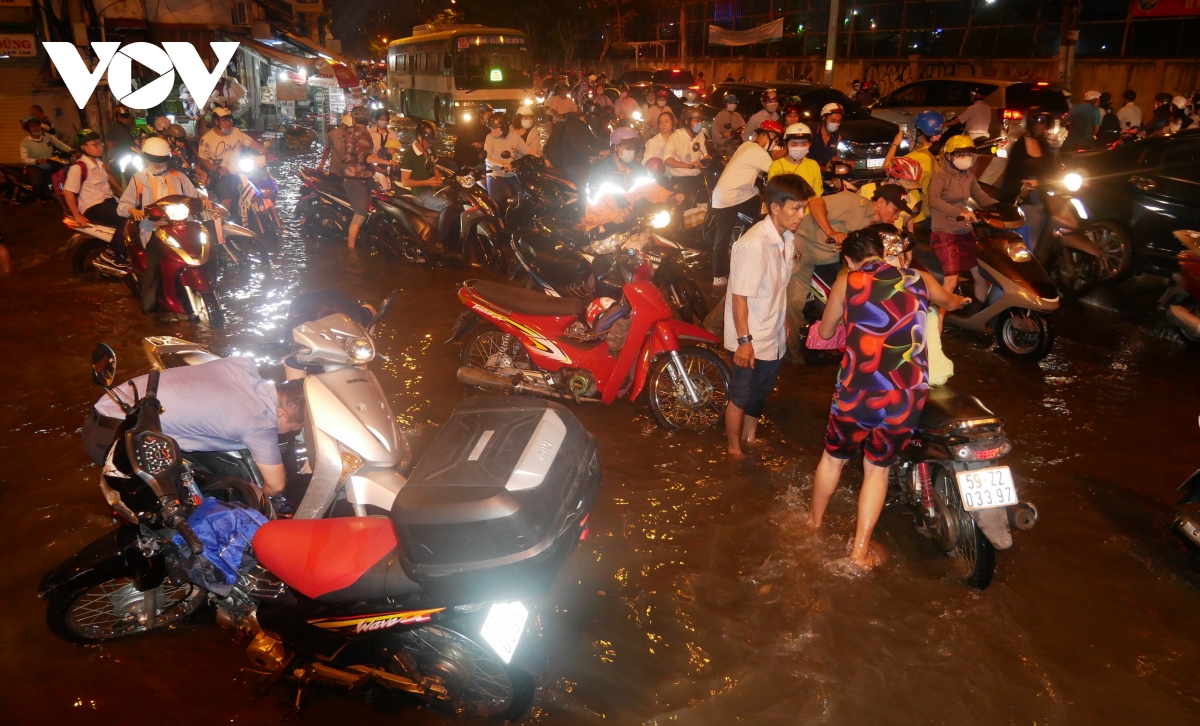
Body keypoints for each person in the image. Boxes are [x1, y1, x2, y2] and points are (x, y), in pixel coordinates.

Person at [805, 228, 968, 571]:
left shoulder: (847, 281)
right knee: (876, 471)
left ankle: (813, 526)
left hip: (857, 392)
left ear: (848, 260)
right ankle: (858, 553)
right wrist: (959, 301)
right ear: (880, 251)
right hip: (905, 397)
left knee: (833, 460)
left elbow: (824, 330)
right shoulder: (919, 278)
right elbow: (951, 303)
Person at [88, 356, 305, 503]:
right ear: (281, 415)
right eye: (294, 428)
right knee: (151, 506)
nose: (291, 432)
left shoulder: (243, 364)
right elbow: (276, 486)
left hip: (106, 404)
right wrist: (261, 502)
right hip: (117, 435)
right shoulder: (260, 421)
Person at [724, 174, 813, 459]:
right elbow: (740, 296)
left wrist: (783, 317)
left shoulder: (786, 238)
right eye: (795, 208)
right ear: (774, 207)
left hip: (772, 330)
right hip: (750, 334)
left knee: (761, 390)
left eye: (803, 208)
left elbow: (778, 286)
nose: (801, 215)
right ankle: (733, 448)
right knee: (741, 394)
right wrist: (744, 341)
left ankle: (750, 436)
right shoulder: (754, 244)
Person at [786, 184, 912, 356]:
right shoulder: (854, 202)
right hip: (805, 250)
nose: (896, 216)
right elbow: (815, 204)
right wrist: (831, 232)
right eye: (895, 210)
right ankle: (793, 355)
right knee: (793, 302)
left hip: (832, 260)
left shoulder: (873, 228)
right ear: (881, 202)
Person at [116, 136, 209, 315]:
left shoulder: (179, 176)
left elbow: (193, 194)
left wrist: (204, 199)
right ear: (145, 158)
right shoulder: (139, 179)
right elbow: (123, 204)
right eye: (152, 160)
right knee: (152, 270)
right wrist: (132, 210)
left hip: (181, 228)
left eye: (161, 160)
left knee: (200, 254)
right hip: (155, 229)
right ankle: (149, 308)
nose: (156, 164)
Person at [709, 119, 784, 286]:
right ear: (770, 135)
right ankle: (720, 275)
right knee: (726, 234)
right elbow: (777, 171)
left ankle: (743, 245)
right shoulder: (757, 151)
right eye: (776, 140)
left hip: (732, 193)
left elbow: (752, 172)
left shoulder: (747, 146)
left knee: (726, 233)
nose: (776, 144)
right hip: (731, 196)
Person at [928, 135, 997, 311]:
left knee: (980, 276)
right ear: (949, 156)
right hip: (945, 232)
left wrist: (1001, 207)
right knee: (950, 282)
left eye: (968, 154)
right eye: (961, 155)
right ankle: (936, 321)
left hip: (965, 232)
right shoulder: (941, 177)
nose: (966, 158)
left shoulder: (969, 177)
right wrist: (959, 213)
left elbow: (982, 197)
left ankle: (979, 313)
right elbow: (933, 200)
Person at [998, 107, 1058, 250]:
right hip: (1024, 196)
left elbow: (1053, 170)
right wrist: (1023, 185)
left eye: (1045, 123)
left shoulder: (1044, 145)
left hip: (1044, 193)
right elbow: (1011, 176)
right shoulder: (1020, 146)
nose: (1042, 126)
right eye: (1039, 122)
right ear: (1030, 123)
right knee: (1035, 219)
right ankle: (1027, 256)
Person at [341, 105, 397, 250]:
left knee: (382, 200)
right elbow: (365, 156)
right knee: (360, 214)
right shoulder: (363, 134)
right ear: (369, 120)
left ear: (353, 119)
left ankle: (369, 235)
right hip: (356, 181)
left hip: (365, 177)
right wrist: (388, 162)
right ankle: (351, 251)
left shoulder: (348, 132)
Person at [197, 106, 265, 211]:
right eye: (224, 120)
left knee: (259, 189)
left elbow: (252, 143)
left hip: (238, 170)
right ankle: (222, 224)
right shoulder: (206, 139)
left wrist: (266, 152)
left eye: (229, 119)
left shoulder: (237, 132)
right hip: (219, 175)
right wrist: (218, 169)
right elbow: (204, 161)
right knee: (227, 201)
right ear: (216, 121)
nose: (228, 123)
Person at [399, 119, 453, 246]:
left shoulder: (430, 150)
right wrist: (427, 182)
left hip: (433, 188)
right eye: (428, 141)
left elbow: (434, 167)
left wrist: (438, 178)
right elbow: (405, 182)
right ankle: (439, 241)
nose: (430, 144)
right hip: (420, 193)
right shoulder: (409, 156)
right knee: (447, 205)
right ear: (419, 138)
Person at [62, 129, 124, 235]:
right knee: (123, 220)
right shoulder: (78, 167)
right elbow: (68, 192)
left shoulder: (99, 163)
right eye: (95, 145)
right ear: (83, 147)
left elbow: (109, 176)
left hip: (108, 201)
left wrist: (121, 191)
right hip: (93, 207)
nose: (100, 147)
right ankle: (115, 249)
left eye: (100, 144)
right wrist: (77, 216)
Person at [857, 155, 923, 232]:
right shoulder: (867, 189)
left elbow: (909, 229)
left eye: (911, 188)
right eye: (904, 186)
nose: (907, 191)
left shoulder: (912, 200)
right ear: (891, 179)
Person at [484, 112, 530, 216]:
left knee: (523, 198)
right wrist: (501, 164)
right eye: (491, 128)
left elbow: (527, 150)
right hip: (495, 174)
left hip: (512, 174)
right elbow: (488, 157)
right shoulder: (489, 138)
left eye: (495, 128)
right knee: (496, 204)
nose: (492, 131)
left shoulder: (514, 137)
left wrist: (541, 159)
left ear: (504, 127)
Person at [905, 110, 945, 229]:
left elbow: (888, 167)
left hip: (919, 216)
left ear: (919, 132)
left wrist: (895, 144)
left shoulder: (917, 157)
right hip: (934, 212)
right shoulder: (939, 153)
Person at [663, 107, 711, 204]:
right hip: (681, 181)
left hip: (697, 178)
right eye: (696, 120)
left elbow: (704, 154)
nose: (700, 123)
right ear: (686, 121)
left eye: (701, 121)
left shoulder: (700, 134)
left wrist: (712, 161)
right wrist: (689, 165)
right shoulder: (675, 137)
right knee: (683, 211)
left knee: (704, 207)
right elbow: (667, 159)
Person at [18, 115, 70, 201]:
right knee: (37, 179)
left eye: (37, 125)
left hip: (49, 162)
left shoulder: (47, 136)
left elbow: (60, 144)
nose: (36, 128)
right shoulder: (25, 143)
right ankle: (38, 200)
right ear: (28, 128)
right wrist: (37, 161)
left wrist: (71, 150)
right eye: (32, 126)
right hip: (35, 165)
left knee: (62, 171)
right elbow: (24, 158)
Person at [767, 123, 823, 199]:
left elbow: (817, 197)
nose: (799, 148)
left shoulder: (813, 165)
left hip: (810, 210)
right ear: (786, 144)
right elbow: (774, 197)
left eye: (804, 144)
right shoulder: (776, 166)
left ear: (809, 144)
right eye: (794, 144)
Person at [453, 103, 492, 167]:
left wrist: (482, 144)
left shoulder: (487, 128)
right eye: (488, 115)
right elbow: (461, 141)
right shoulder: (469, 126)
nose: (490, 118)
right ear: (481, 115)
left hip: (478, 159)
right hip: (465, 159)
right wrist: (472, 143)